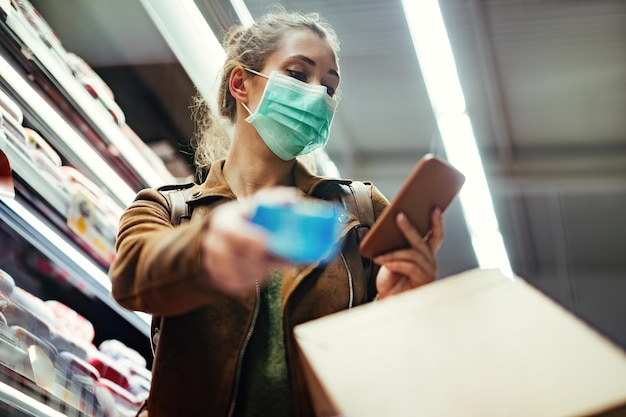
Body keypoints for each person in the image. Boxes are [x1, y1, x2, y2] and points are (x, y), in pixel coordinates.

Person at [109, 7, 443, 417]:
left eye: (330, 86)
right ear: (240, 83)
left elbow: (400, 370)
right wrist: (207, 245)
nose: (319, 94)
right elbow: (130, 279)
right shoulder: (167, 208)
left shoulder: (361, 211)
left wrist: (402, 307)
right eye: (298, 74)